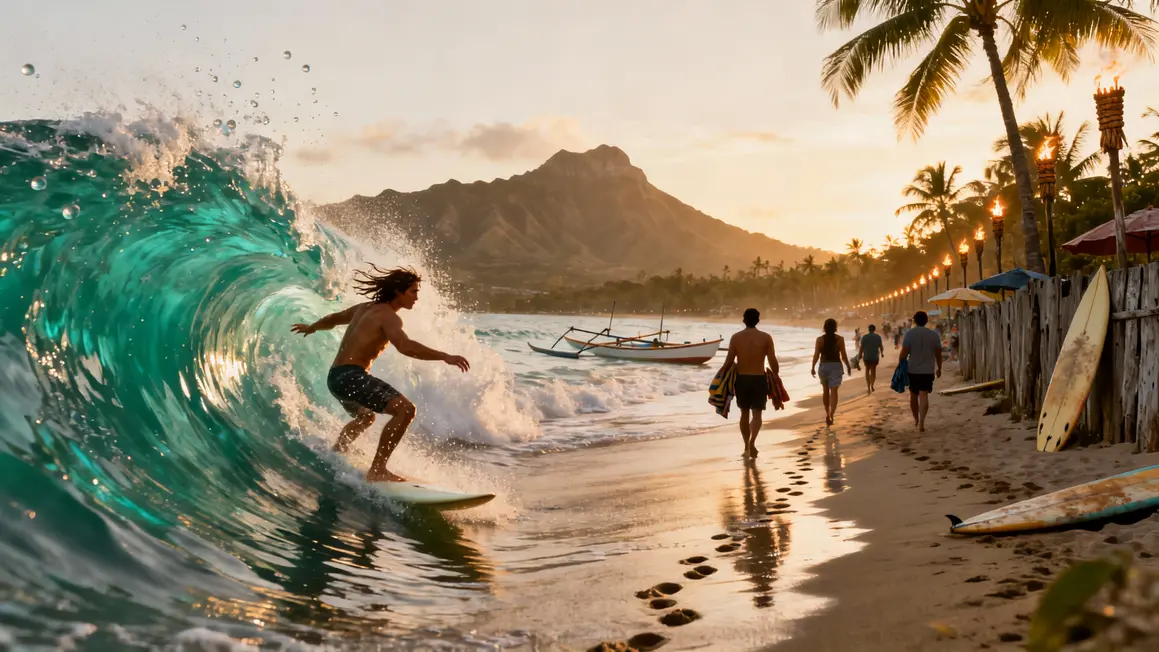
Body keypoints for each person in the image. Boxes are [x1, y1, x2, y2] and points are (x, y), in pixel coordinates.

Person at [291, 265, 470, 482]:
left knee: (366, 417)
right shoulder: (389, 317)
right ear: (398, 292)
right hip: (351, 376)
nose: (416, 297)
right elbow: (405, 346)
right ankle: (378, 469)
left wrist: (312, 327)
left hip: (336, 378)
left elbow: (334, 318)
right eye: (413, 292)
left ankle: (338, 451)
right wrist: (444, 356)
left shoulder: (363, 308)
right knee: (405, 410)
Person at [720, 308, 780, 457]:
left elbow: (729, 361)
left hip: (742, 379)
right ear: (758, 320)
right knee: (757, 414)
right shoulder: (766, 338)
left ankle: (746, 445)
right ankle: (752, 442)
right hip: (759, 378)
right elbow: (772, 360)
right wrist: (776, 375)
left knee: (744, 413)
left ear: (744, 320)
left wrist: (721, 377)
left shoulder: (736, 338)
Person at [897, 310, 942, 432]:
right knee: (924, 394)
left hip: (913, 370)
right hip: (927, 370)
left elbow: (903, 354)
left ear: (915, 321)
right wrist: (939, 368)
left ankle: (916, 419)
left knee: (913, 395)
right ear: (926, 321)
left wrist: (900, 366)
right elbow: (938, 354)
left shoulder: (910, 334)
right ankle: (922, 422)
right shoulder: (933, 335)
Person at [811, 318, 852, 426]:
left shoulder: (819, 340)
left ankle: (827, 413)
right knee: (834, 392)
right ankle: (832, 414)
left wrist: (813, 367)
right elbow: (843, 355)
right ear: (835, 327)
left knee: (825, 391)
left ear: (824, 327)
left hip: (824, 366)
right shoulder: (840, 339)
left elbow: (816, 355)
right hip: (836, 366)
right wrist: (848, 366)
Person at [857, 324, 885, 393]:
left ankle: (868, 387)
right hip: (875, 357)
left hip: (867, 357)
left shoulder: (864, 337)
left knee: (867, 370)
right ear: (874, 329)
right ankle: (872, 385)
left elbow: (861, 347)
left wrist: (860, 355)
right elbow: (881, 347)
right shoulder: (878, 337)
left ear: (868, 329)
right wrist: (882, 353)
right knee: (873, 371)